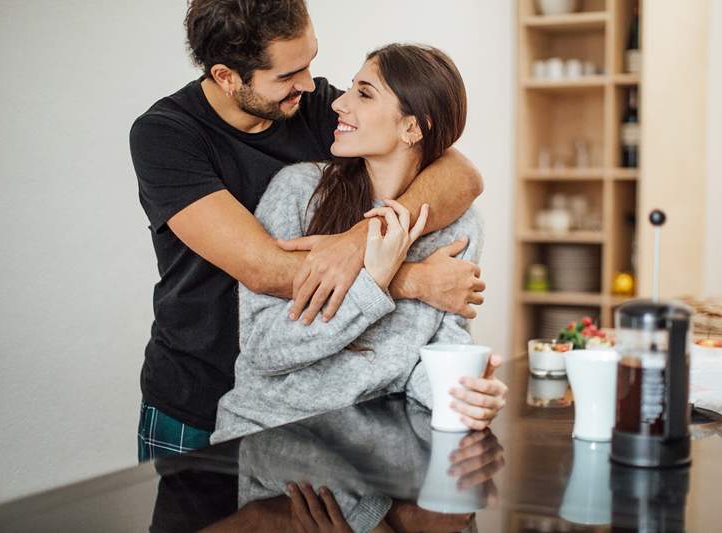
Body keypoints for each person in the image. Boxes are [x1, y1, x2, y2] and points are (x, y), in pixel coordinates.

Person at [130, 0, 486, 460]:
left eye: (309, 62)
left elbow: (459, 173)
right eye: (286, 75)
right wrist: (412, 281)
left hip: (316, 404)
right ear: (226, 76)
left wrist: (362, 240)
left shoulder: (310, 104)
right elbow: (264, 268)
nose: (310, 83)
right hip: (198, 393)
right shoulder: (168, 135)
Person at [211, 43, 507, 444]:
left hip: (370, 450)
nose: (338, 104)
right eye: (351, 88)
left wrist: (461, 395)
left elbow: (436, 356)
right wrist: (372, 284)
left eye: (364, 94)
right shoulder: (299, 192)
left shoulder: (461, 226)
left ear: (413, 127)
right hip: (270, 437)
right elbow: (264, 348)